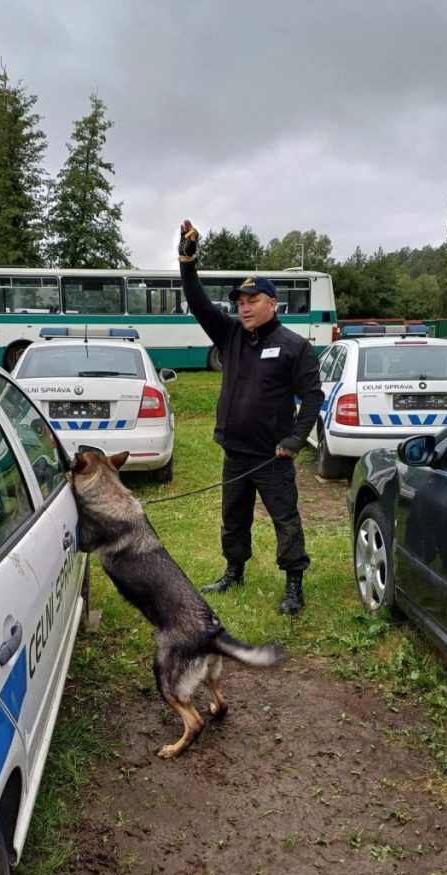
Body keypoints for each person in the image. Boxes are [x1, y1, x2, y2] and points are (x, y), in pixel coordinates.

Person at [177, 220, 324, 614]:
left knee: (285, 520)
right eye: (240, 302)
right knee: (233, 519)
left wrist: (295, 440)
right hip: (236, 452)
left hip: (272, 455)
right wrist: (187, 261)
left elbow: (312, 397)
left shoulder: (294, 347)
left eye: (253, 300)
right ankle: (234, 570)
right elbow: (198, 302)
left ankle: (294, 583)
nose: (244, 307)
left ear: (272, 304)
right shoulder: (230, 336)